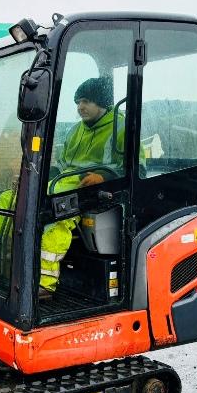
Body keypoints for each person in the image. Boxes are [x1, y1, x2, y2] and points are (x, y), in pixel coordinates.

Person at [39, 76, 124, 296]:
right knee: (14, 199)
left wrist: (103, 176)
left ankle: (44, 285)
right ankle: (3, 268)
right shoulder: (76, 130)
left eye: (86, 101)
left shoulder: (121, 127)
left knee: (54, 218)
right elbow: (62, 165)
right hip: (68, 185)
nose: (80, 107)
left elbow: (136, 167)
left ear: (101, 102)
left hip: (99, 191)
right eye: (78, 102)